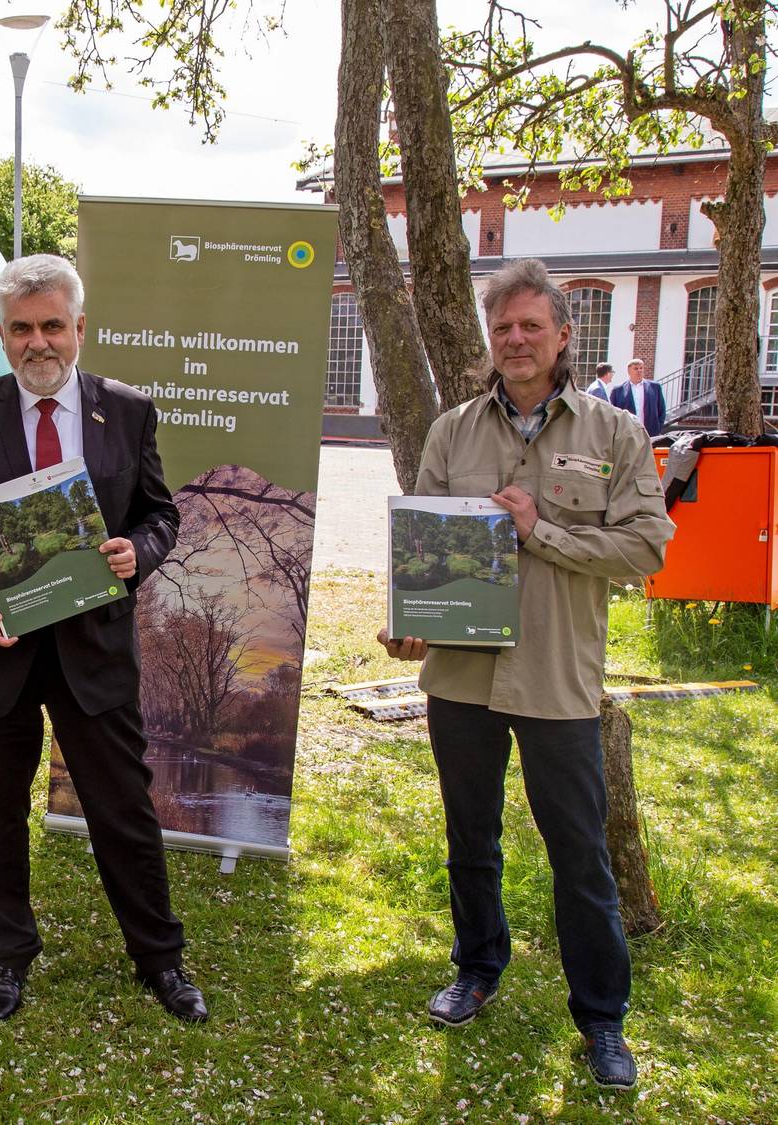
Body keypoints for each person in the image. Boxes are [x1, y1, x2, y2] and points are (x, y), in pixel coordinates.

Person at [377, 259, 673, 1090]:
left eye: (530, 326)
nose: (515, 339)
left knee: (579, 853)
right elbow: (423, 549)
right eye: (502, 327)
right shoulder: (452, 432)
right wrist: (410, 625)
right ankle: (477, 967)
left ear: (562, 336)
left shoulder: (614, 434)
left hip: (556, 680)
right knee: (470, 838)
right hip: (461, 679)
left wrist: (541, 531)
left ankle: (603, 1019)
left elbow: (645, 548)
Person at [0, 254, 207, 1024]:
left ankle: (159, 957)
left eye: (51, 326)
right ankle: (7, 955)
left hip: (92, 650)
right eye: (21, 329)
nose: (38, 342)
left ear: (80, 328)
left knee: (122, 807)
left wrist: (136, 552)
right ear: (2, 337)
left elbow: (160, 513)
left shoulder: (128, 410)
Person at [610, 358, 666, 436]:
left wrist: (658, 427)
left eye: (641, 368)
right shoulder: (618, 390)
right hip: (627, 434)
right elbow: (613, 413)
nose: (639, 371)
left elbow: (662, 410)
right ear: (629, 371)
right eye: (636, 368)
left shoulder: (655, 387)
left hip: (650, 433)